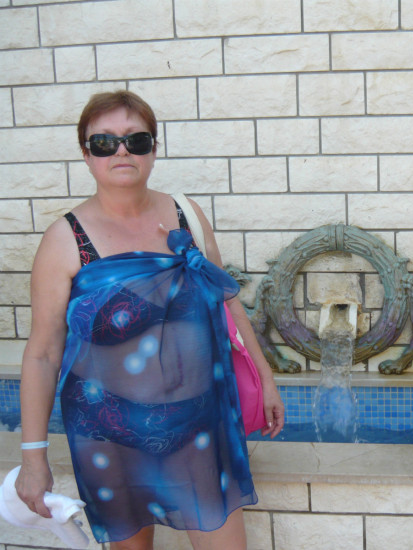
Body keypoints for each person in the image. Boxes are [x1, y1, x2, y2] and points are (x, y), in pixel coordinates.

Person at [15, 90, 285, 550]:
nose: (121, 151)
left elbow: (227, 301)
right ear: (86, 154)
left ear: (154, 149)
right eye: (104, 142)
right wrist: (33, 456)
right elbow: (42, 353)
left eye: (136, 140)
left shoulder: (187, 215)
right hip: (109, 438)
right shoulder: (65, 240)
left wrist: (266, 377)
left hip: (200, 427)